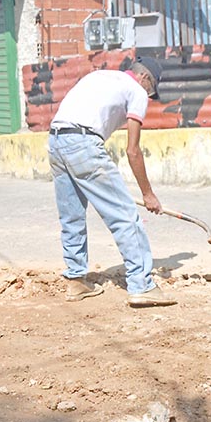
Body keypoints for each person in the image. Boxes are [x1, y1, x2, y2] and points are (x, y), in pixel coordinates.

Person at [46, 56, 176, 307]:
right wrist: (148, 194)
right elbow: (133, 150)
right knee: (125, 215)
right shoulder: (136, 90)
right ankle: (142, 285)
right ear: (145, 78)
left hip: (56, 140)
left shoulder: (99, 76)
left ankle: (76, 280)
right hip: (83, 143)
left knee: (71, 216)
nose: (148, 97)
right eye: (151, 92)